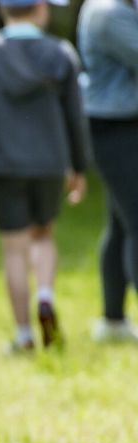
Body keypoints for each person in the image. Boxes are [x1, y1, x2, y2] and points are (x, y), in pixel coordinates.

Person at [0, 0, 88, 352]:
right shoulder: (60, 53)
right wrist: (79, 166)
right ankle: (45, 296)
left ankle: (24, 335)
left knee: (14, 249)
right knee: (43, 234)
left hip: (2, 163)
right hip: (49, 162)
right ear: (42, 10)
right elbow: (75, 115)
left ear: (3, 11)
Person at [78, 0, 138, 343]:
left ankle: (113, 321)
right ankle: (113, 321)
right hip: (114, 128)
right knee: (136, 222)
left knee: (120, 224)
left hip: (123, 124)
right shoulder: (107, 12)